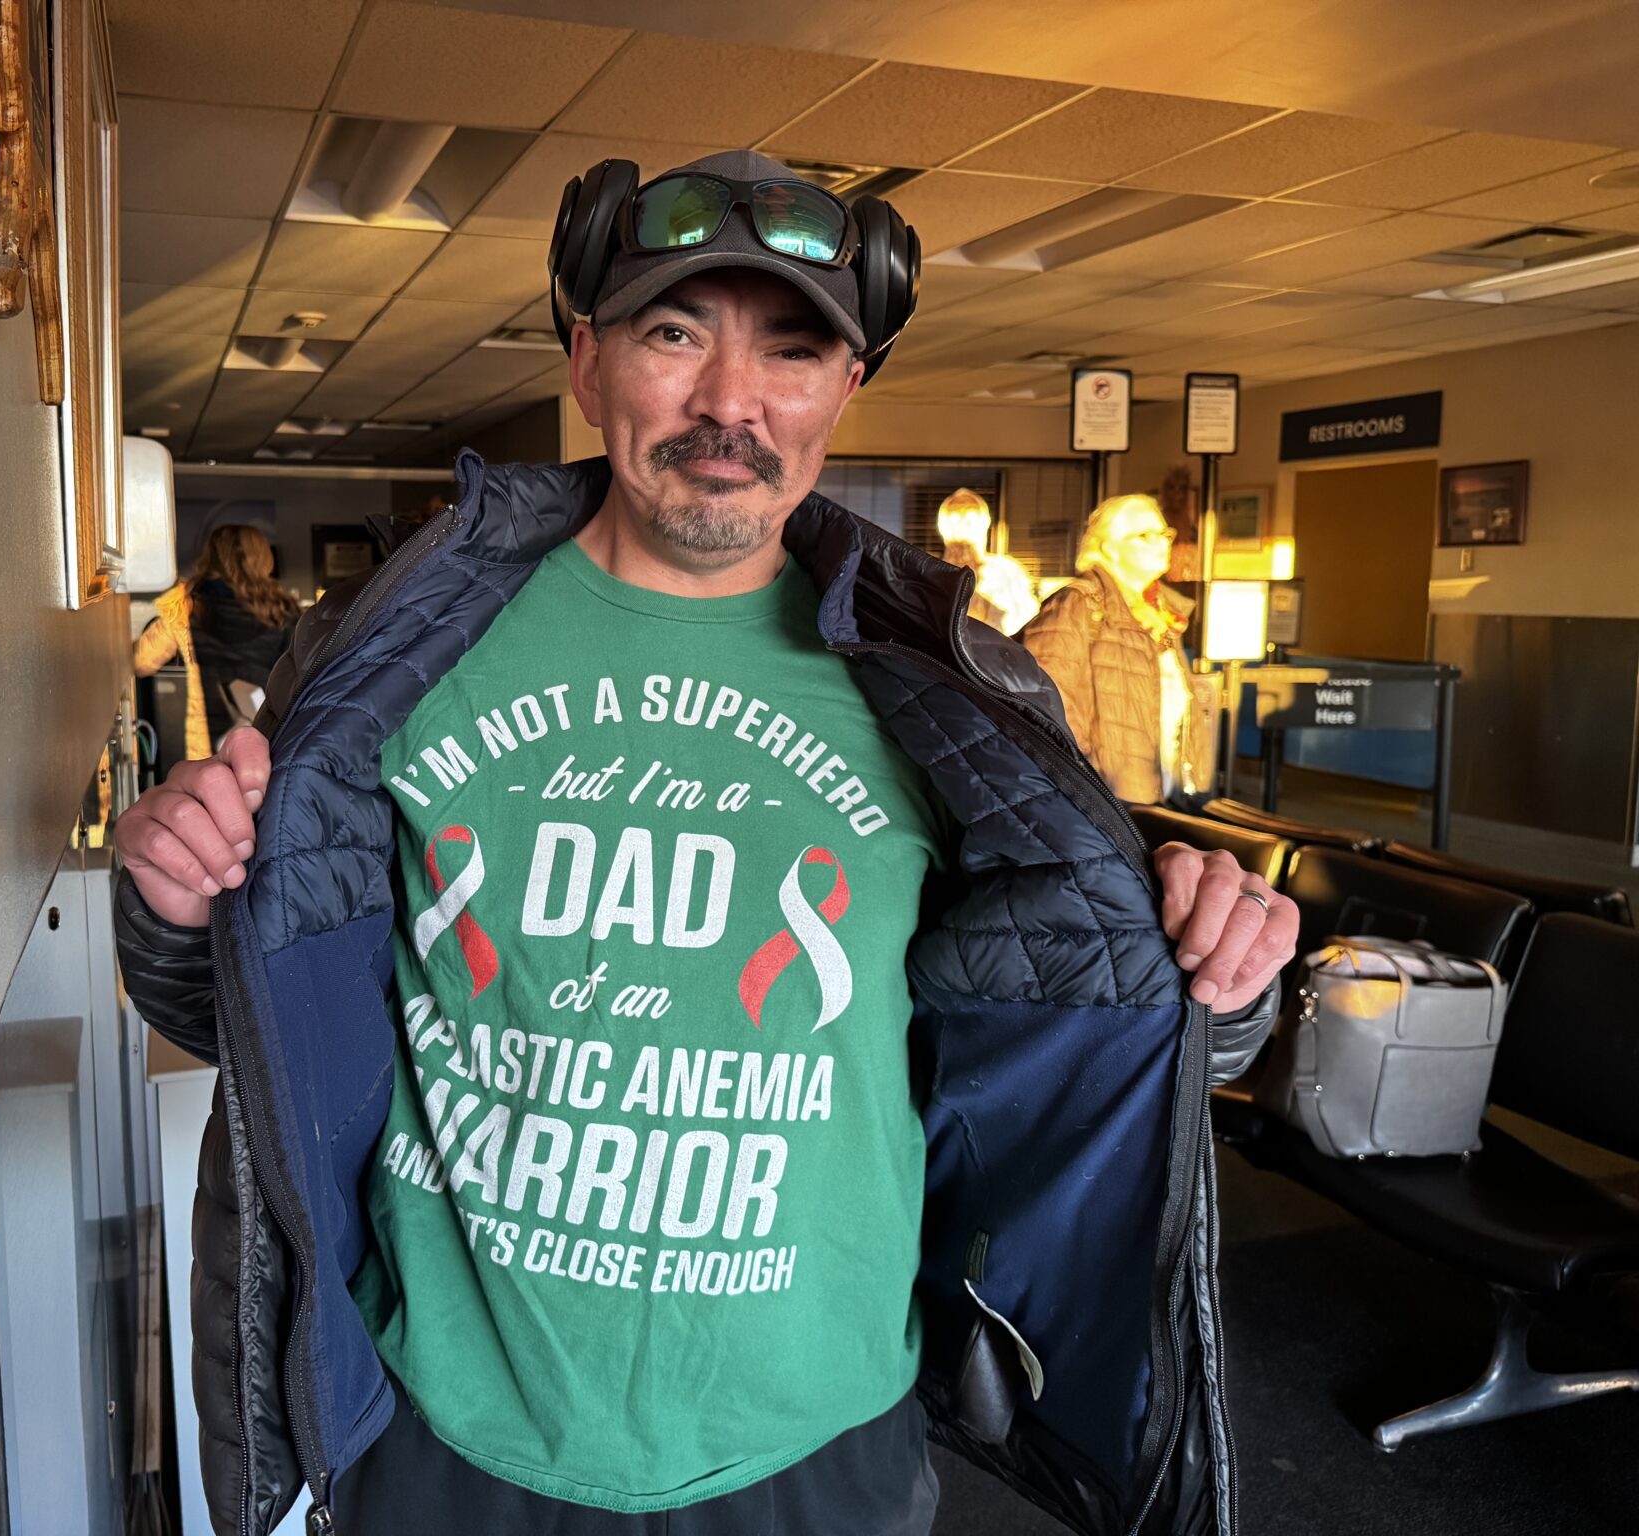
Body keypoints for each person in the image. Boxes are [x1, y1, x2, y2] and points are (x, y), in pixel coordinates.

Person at [112, 151, 1296, 1536]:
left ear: (845, 389)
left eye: (792, 352)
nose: (732, 404)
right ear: (585, 359)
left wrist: (1221, 968)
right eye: (675, 333)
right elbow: (241, 1011)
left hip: (812, 1447)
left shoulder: (951, 688)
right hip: (452, 1439)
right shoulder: (394, 654)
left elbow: (1089, 1030)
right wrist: (174, 902)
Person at [1021, 494, 1220, 806]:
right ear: (1109, 547)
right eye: (1144, 536)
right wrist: (1092, 786)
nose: (1161, 543)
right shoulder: (1079, 604)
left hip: (1167, 796)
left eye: (1164, 534)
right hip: (1110, 803)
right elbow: (1049, 707)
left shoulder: (1162, 615)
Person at [132, 523, 299, 761]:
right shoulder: (285, 609)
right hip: (270, 744)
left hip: (208, 752)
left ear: (211, 558)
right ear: (264, 559)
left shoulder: (185, 605)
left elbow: (141, 661)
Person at [935, 487, 1037, 635]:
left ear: (982, 525)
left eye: (970, 520)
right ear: (944, 527)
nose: (962, 528)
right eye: (955, 521)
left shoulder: (1005, 571)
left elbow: (1025, 618)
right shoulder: (933, 571)